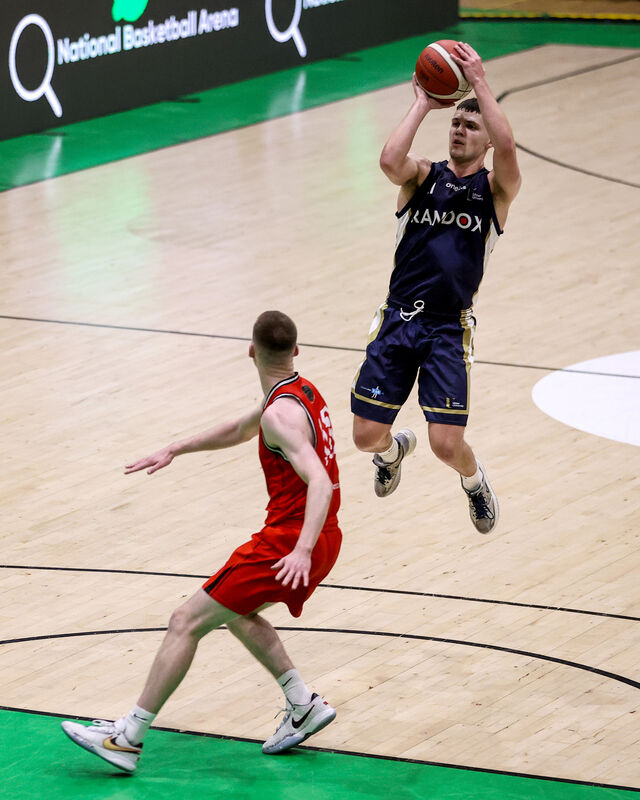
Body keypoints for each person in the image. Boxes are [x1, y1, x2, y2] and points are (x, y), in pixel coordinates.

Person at [61, 310, 342, 773]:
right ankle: (302, 703)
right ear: (295, 351)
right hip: (321, 535)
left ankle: (126, 737)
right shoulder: (300, 392)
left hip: (290, 540)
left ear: (251, 350)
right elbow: (238, 428)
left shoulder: (279, 415)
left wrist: (301, 549)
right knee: (235, 613)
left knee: (186, 620)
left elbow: (321, 482)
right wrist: (175, 447)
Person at [351, 42, 521, 534]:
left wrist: (481, 82)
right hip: (399, 317)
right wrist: (425, 101)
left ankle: (474, 482)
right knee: (366, 438)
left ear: (486, 141)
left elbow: (510, 149)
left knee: (447, 445)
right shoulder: (422, 176)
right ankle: (392, 454)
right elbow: (388, 160)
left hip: (448, 327)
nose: (460, 131)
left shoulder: (495, 190)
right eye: (456, 124)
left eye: (471, 126)